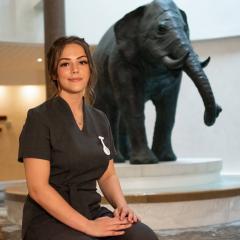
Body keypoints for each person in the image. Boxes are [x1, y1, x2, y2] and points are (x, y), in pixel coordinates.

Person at [18, 36, 158, 240]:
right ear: (54, 73)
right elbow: (38, 189)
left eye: (82, 62)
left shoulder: (100, 119)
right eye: (65, 64)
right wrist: (88, 226)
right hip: (48, 217)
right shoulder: (39, 118)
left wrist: (122, 206)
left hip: (91, 210)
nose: (75, 69)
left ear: (90, 69)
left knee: (143, 236)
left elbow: (107, 175)